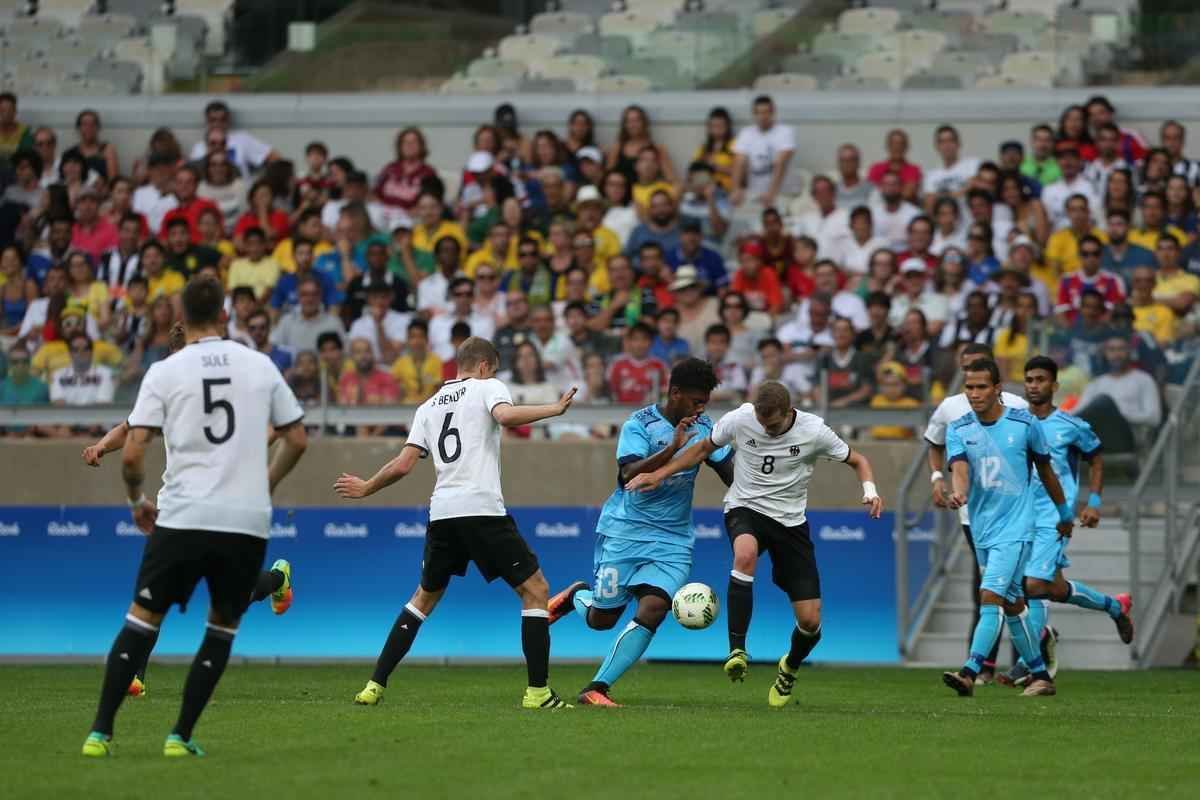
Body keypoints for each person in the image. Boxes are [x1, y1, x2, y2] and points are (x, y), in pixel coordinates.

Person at [80, 275, 307, 758]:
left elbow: (134, 451)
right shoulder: (258, 365)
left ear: (182, 315)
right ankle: (179, 735)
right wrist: (262, 481)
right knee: (221, 626)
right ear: (225, 313)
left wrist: (136, 501)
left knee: (142, 616)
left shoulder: (165, 374)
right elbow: (296, 436)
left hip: (180, 513)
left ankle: (100, 732)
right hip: (241, 517)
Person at [336, 337, 575, 708]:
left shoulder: (428, 405)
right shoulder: (487, 387)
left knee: (422, 599)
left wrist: (367, 486)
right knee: (536, 590)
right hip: (481, 509)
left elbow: (403, 464)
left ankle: (374, 686)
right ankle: (538, 693)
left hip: (443, 513)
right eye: (493, 369)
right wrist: (555, 409)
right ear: (483, 366)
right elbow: (505, 416)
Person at [627, 381, 883, 706]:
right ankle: (737, 651)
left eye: (773, 425)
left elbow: (858, 460)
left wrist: (870, 491)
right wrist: (660, 473)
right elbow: (703, 449)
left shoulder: (814, 431)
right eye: (762, 424)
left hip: (790, 523)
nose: (767, 430)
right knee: (745, 554)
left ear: (788, 412)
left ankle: (789, 667)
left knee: (810, 621)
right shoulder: (740, 418)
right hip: (745, 508)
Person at [543, 359, 733, 705]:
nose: (700, 409)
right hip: (625, 532)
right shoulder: (639, 424)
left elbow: (729, 472)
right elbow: (628, 475)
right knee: (602, 619)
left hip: (673, 539)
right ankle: (576, 597)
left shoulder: (706, 428)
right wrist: (672, 448)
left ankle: (596, 688)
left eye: (705, 403)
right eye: (696, 401)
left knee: (655, 608)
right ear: (675, 393)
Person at [995, 356, 1134, 687]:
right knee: (1052, 588)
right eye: (1029, 380)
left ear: (1054, 385)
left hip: (1054, 518)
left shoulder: (1070, 426)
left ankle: (1032, 660)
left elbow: (1096, 458)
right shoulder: (1014, 423)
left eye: (1041, 379)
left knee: (1032, 586)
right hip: (1020, 516)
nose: (1034, 385)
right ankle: (1115, 607)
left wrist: (1094, 503)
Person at [939, 358, 1072, 699]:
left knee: (990, 596)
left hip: (1017, 527)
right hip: (983, 529)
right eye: (969, 387)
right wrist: (959, 492)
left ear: (997, 388)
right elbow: (960, 468)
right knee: (1012, 604)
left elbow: (1046, 472)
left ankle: (970, 671)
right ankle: (1041, 676)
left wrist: (1063, 513)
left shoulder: (1025, 424)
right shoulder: (959, 428)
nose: (974, 393)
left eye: (981, 387)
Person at [926, 344, 1030, 684]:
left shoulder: (1017, 408)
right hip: (975, 518)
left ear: (994, 377)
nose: (973, 386)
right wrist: (939, 479)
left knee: (994, 590)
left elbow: (1038, 460)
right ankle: (1030, 657)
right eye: (966, 371)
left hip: (1013, 517)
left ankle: (981, 668)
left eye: (978, 372)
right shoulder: (951, 410)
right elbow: (938, 446)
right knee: (997, 591)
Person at [1073, 337, 1162, 453]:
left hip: (1127, 439)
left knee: (1103, 402)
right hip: (1096, 437)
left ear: (1129, 353)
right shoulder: (1096, 383)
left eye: (1121, 349)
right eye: (1112, 350)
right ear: (1105, 354)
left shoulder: (1144, 379)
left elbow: (1154, 418)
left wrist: (1118, 414)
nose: (1116, 354)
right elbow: (1079, 411)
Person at [731, 95, 794, 209]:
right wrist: (735, 189)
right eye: (759, 113)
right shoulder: (746, 133)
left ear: (773, 112)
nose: (762, 116)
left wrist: (771, 193)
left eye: (766, 112)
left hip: (780, 192)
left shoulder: (785, 132)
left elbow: (781, 163)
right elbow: (738, 163)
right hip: (754, 191)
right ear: (754, 114)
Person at [1055, 235, 1125, 323]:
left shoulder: (1113, 281)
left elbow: (1113, 312)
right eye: (1085, 254)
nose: (1090, 258)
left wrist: (1094, 330)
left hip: (1103, 330)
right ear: (1079, 255)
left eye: (1095, 254)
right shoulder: (1066, 280)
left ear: (1101, 255)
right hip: (1072, 330)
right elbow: (1060, 313)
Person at [271, 276, 346, 356]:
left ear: (320, 296)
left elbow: (345, 352)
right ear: (298, 296)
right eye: (304, 294)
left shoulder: (333, 323)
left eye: (314, 294)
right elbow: (274, 348)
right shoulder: (287, 321)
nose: (310, 299)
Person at [429, 277, 495, 362]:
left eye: (468, 294)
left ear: (474, 296)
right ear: (451, 296)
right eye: (458, 294)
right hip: (440, 368)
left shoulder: (486, 323)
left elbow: (487, 354)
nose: (464, 298)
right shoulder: (437, 322)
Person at [923, 125, 981, 214]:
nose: (947, 145)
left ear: (958, 143)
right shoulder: (931, 176)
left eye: (951, 140)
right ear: (937, 146)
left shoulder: (974, 165)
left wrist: (941, 197)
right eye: (942, 142)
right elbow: (929, 205)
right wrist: (962, 191)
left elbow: (976, 186)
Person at [607, 322, 670, 405]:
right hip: (621, 411)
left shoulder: (659, 365)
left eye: (645, 339)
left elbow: (665, 394)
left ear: (651, 342)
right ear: (629, 341)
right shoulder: (617, 365)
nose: (640, 344)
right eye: (635, 339)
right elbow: (610, 394)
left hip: (649, 411)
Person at [1041, 146, 1100, 232]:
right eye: (1063, 159)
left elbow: (1096, 218)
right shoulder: (1049, 190)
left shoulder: (1090, 187)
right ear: (1057, 162)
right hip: (1057, 237)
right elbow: (1046, 222)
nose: (1067, 162)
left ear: (1080, 162)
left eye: (1072, 158)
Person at [1045, 194, 1105, 277]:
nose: (1078, 214)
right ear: (1067, 213)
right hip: (1068, 282)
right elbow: (1055, 271)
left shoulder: (1102, 236)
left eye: (1082, 209)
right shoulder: (1057, 238)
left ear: (1088, 211)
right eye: (1073, 210)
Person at [389, 319, 443, 403]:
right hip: (405, 408)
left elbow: (439, 390)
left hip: (430, 406)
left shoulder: (437, 362)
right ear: (407, 340)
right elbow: (394, 391)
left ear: (427, 339)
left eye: (421, 336)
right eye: (413, 337)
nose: (417, 341)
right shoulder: (399, 364)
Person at [870, 171, 922, 251]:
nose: (890, 188)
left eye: (894, 184)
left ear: (901, 187)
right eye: (886, 184)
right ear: (881, 188)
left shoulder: (915, 214)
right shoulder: (873, 213)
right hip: (878, 255)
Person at [867, 128, 922, 202]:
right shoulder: (876, 169)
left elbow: (908, 194)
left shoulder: (913, 170)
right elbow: (871, 193)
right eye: (893, 143)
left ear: (906, 147)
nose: (897, 147)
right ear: (887, 146)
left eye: (901, 144)